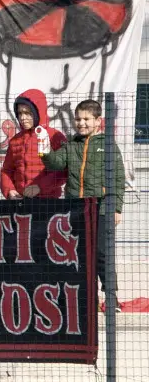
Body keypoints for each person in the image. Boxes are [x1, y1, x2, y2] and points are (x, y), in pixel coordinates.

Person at [41, 99, 125, 285]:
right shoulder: (71, 144)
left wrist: (116, 207)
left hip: (101, 207)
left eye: (87, 119)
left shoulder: (108, 145)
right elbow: (56, 163)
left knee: (101, 252)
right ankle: (87, 296)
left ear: (98, 121)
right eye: (78, 119)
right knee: (80, 252)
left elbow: (118, 178)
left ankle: (111, 295)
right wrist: (44, 152)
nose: (82, 123)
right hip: (76, 206)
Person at [0, 88, 67, 200]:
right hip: (20, 200)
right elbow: (7, 170)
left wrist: (40, 187)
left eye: (27, 113)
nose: (22, 118)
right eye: (20, 113)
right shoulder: (15, 141)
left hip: (48, 200)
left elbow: (63, 170)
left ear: (38, 112)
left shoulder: (55, 136)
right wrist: (9, 190)